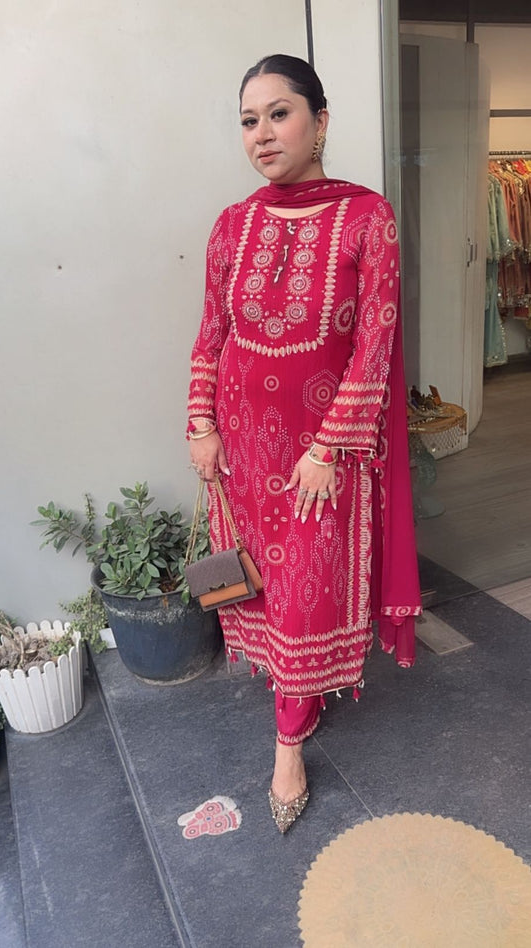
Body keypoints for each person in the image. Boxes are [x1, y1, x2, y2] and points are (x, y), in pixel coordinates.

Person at [187, 54, 421, 833]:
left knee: (307, 588)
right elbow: (211, 334)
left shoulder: (366, 218)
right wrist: (200, 425)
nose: (261, 134)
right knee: (260, 583)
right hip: (242, 453)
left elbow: (375, 346)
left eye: (278, 114)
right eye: (247, 121)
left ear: (319, 121)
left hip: (322, 455)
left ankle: (286, 746)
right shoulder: (231, 225)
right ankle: (298, 694)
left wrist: (328, 448)